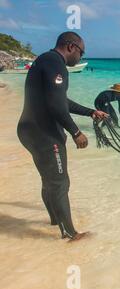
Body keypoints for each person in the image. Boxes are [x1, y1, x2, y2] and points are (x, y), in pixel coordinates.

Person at [17, 32, 109, 242]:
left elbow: (60, 99)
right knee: (60, 183)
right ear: (70, 47)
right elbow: (56, 105)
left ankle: (55, 221)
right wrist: (76, 132)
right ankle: (70, 234)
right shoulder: (55, 63)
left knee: (49, 180)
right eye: (81, 52)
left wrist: (90, 112)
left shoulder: (45, 60)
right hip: (45, 134)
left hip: (28, 130)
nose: (81, 57)